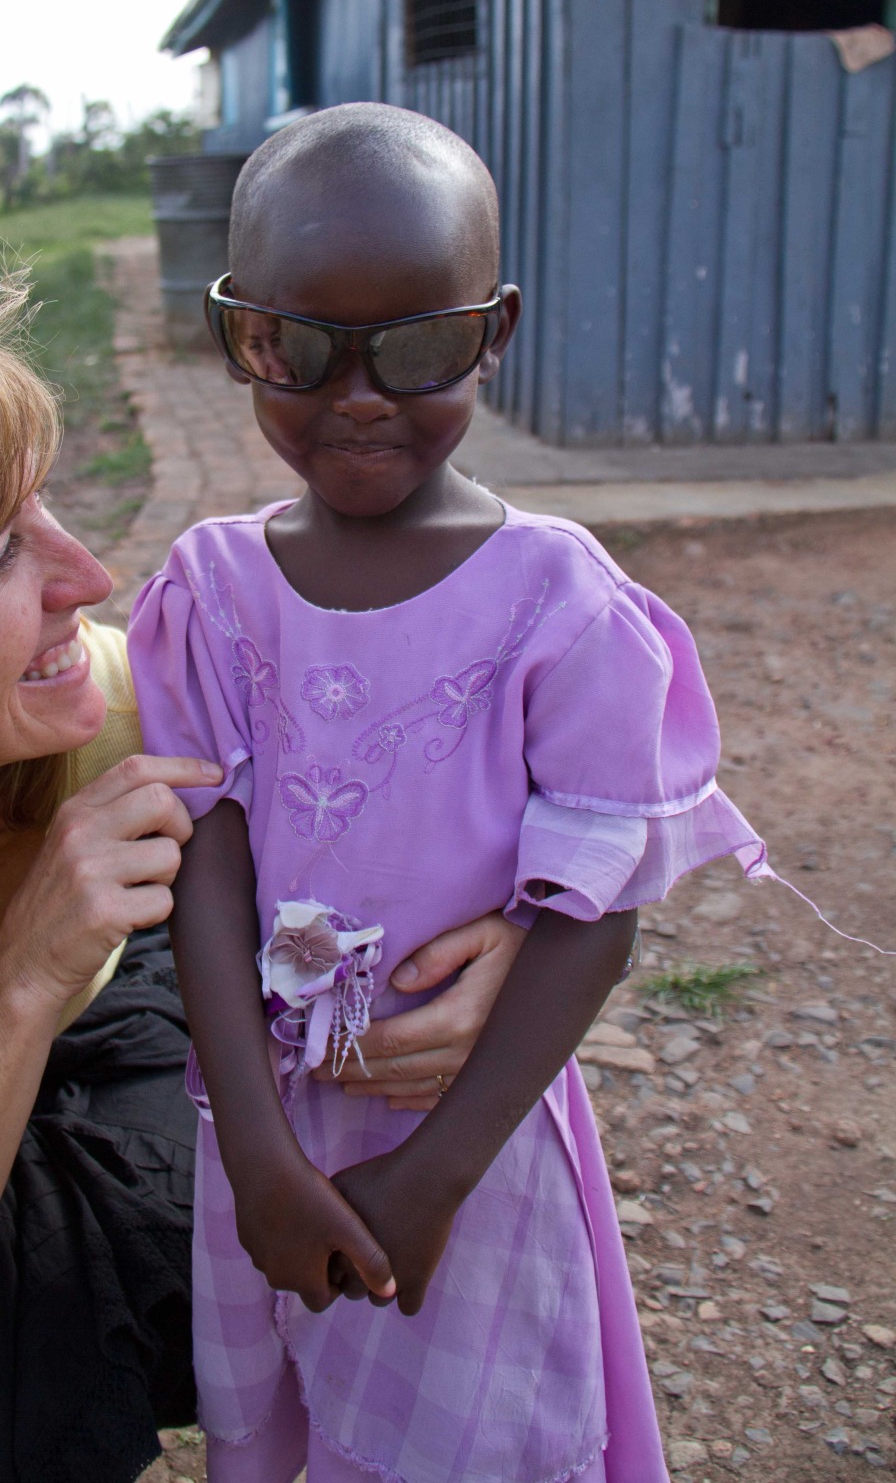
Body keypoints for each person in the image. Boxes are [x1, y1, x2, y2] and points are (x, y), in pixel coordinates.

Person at [0, 283, 522, 1483]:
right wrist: (23, 976)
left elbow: (413, 821)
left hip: (122, 1007)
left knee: (35, 1276)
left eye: (42, 507)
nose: (85, 577)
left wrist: (498, 938)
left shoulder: (129, 706)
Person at [127, 104, 784, 1483]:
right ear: (229, 328)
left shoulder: (562, 603)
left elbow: (592, 916)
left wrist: (434, 1179)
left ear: (495, 329)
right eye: (290, 346)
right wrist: (253, 1152)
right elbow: (208, 859)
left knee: (471, 1440)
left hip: (467, 1148)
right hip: (265, 1124)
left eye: (418, 345)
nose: (356, 395)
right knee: (294, 1427)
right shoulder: (210, 592)